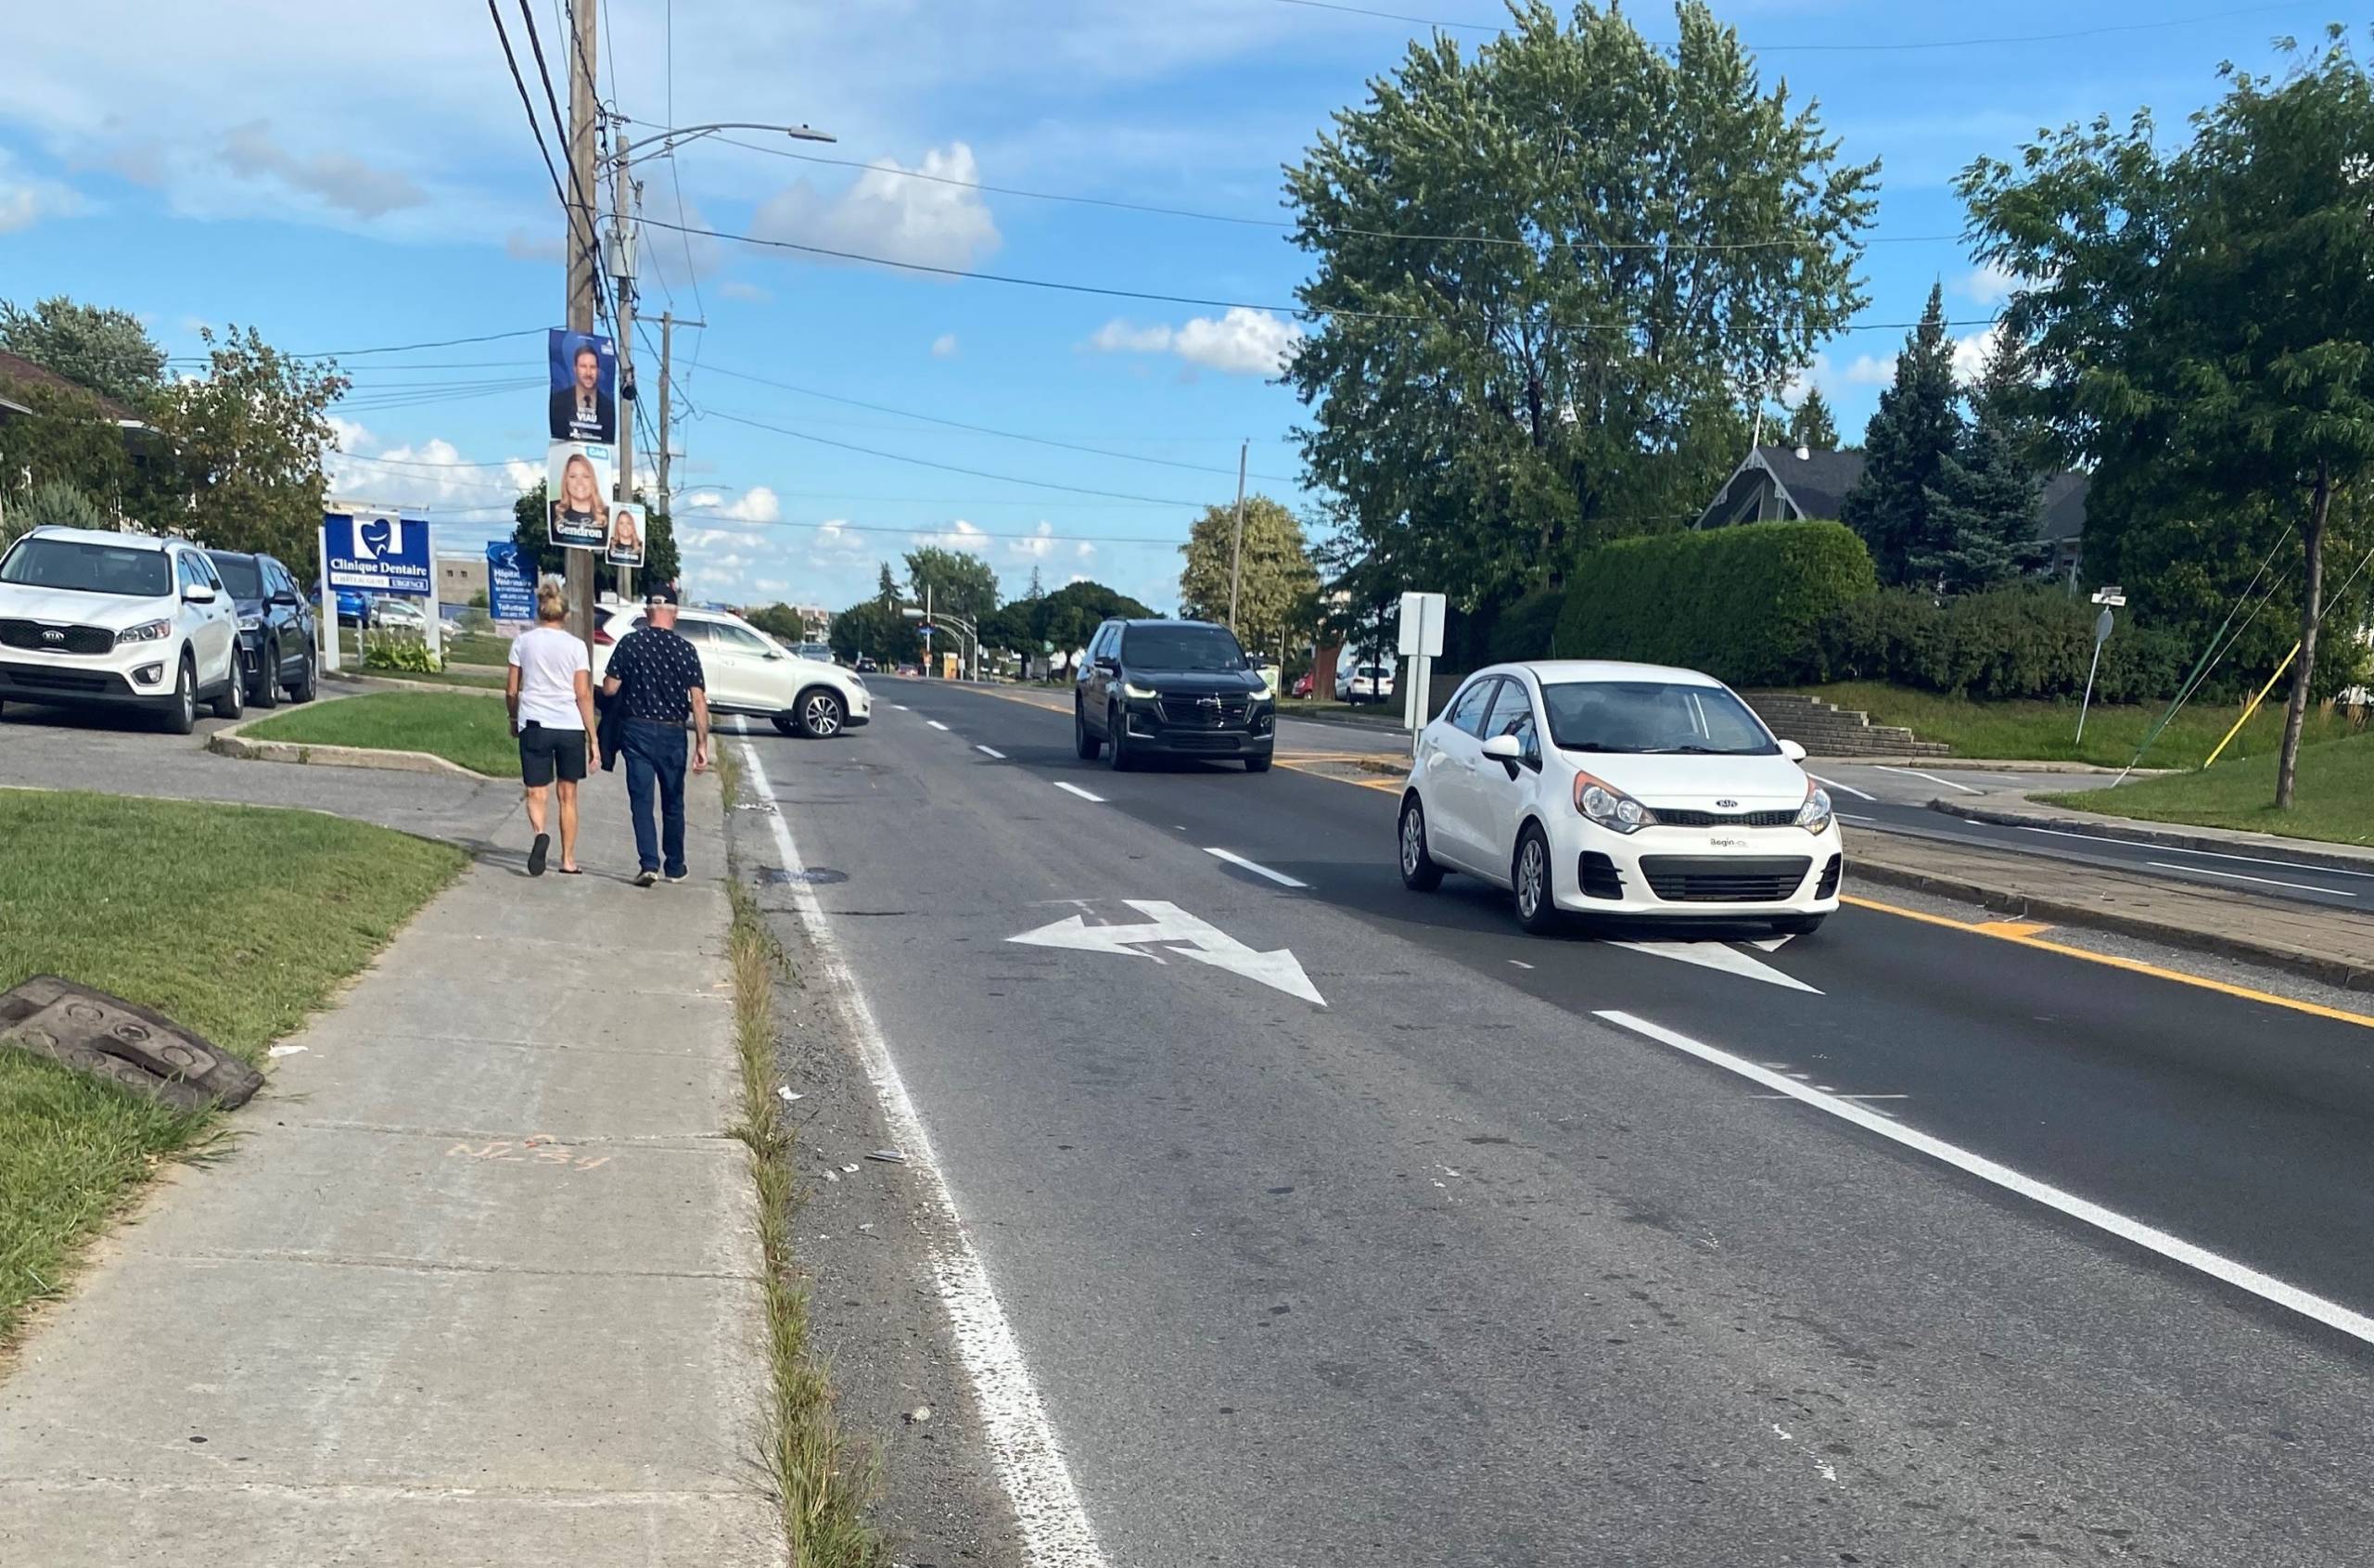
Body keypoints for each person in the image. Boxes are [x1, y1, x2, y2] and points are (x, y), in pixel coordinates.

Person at [601, 588, 710, 886]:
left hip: (637, 729)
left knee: (642, 800)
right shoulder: (686, 650)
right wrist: (702, 744)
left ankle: (649, 863)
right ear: (674, 614)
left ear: (648, 613)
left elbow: (610, 688)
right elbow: (698, 700)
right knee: (673, 802)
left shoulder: (631, 643)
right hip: (674, 732)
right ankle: (675, 866)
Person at [505, 578, 602, 876]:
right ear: (566, 615)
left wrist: (513, 718)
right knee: (568, 795)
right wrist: (593, 739)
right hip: (570, 726)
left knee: (536, 791)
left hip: (534, 723)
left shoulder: (522, 642)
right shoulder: (576, 646)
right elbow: (583, 693)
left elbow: (511, 690)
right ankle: (568, 860)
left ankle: (539, 835)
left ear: (539, 611)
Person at [549, 341, 615, 442]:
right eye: (583, 367)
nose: (588, 373)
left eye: (592, 367)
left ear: (598, 370)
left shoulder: (608, 406)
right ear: (575, 369)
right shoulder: (559, 401)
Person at [550, 452, 602, 546]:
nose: (579, 482)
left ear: (592, 481)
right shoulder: (554, 510)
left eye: (585, 476)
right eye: (573, 476)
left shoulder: (605, 515)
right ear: (566, 481)